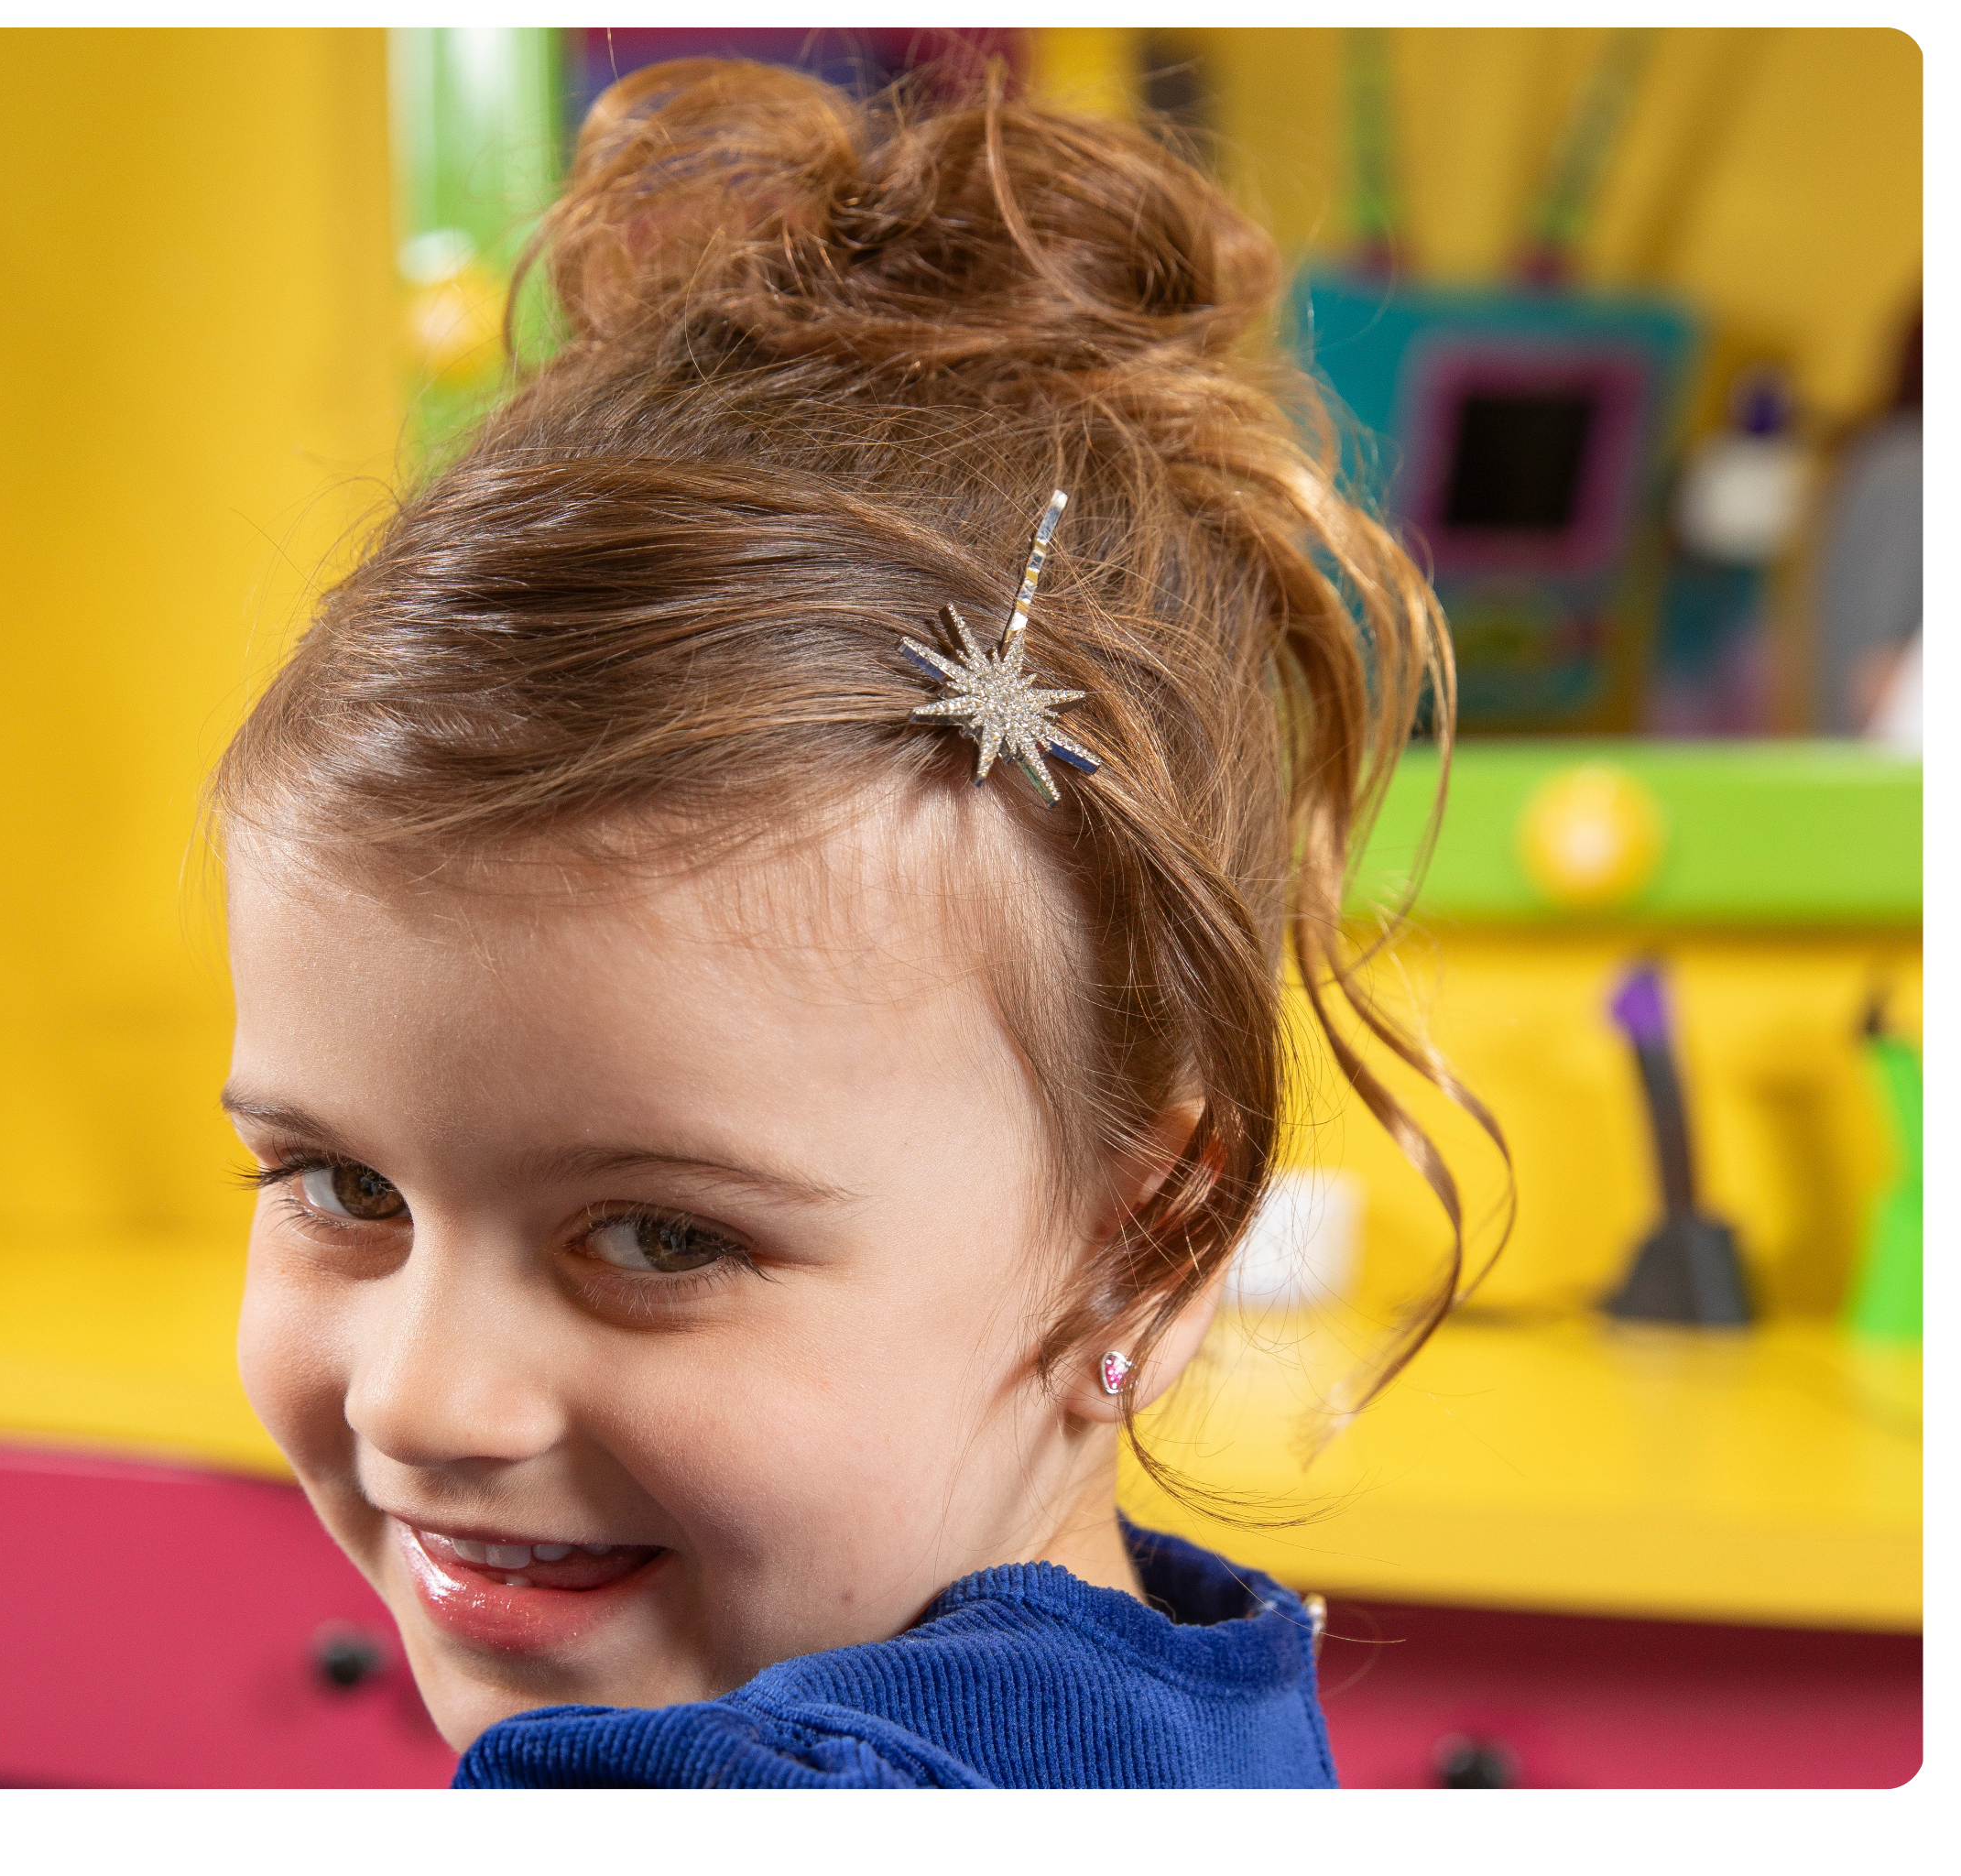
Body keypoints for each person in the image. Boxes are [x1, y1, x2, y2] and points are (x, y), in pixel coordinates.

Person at [212, 59, 1483, 1789]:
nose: (421, 1403)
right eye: (344, 1191)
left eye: (660, 1239)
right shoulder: (1189, 1696)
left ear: (1148, 1249)